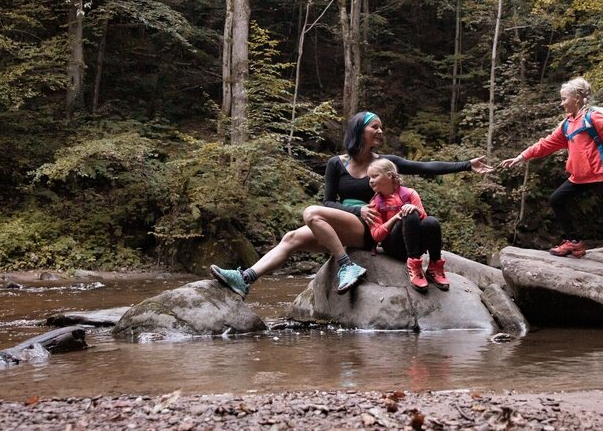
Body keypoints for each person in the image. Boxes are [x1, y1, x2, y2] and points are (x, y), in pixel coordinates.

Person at [211, 111, 493, 297]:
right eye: (375, 127)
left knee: (310, 213)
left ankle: (347, 265)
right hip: (346, 220)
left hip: (369, 228)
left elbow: (425, 167)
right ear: (360, 130)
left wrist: (466, 165)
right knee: (292, 236)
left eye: (382, 127)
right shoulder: (336, 163)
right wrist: (356, 209)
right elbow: (329, 202)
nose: (380, 131)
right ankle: (245, 279)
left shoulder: (384, 164)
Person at [499, 77, 603, 275]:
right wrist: (521, 157)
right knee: (557, 199)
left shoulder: (593, 118)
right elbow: (546, 144)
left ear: (576, 98)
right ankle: (574, 242)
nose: (562, 103)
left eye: (564, 99)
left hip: (599, 173)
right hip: (579, 175)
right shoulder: (567, 124)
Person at [366, 158, 449, 291]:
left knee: (431, 221)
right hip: (394, 246)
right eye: (369, 177)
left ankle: (435, 266)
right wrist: (395, 218)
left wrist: (414, 208)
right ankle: (414, 265)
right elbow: (376, 236)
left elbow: (425, 222)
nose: (370, 180)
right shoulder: (374, 203)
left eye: (375, 176)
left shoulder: (410, 193)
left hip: (413, 241)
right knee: (407, 214)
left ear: (389, 175)